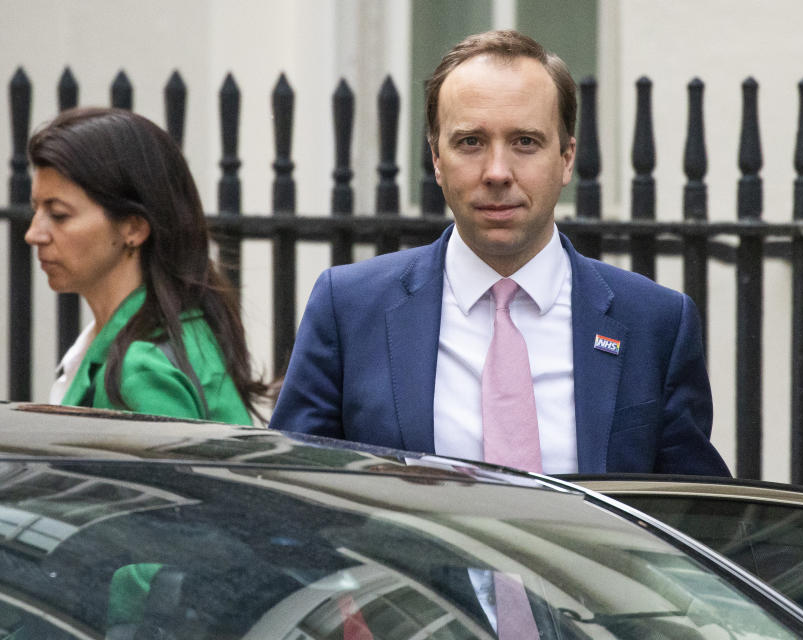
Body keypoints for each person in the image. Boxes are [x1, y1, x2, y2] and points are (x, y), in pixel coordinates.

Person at [270, 30, 729, 476]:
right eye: (470, 142)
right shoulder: (349, 308)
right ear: (435, 158)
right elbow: (295, 496)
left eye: (525, 142)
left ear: (567, 158)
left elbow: (695, 517)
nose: (496, 172)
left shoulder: (656, 323)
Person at [26, 107, 266, 424]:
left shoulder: (142, 370)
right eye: (35, 209)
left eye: (59, 214)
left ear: (134, 228)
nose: (33, 234)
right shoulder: (150, 335)